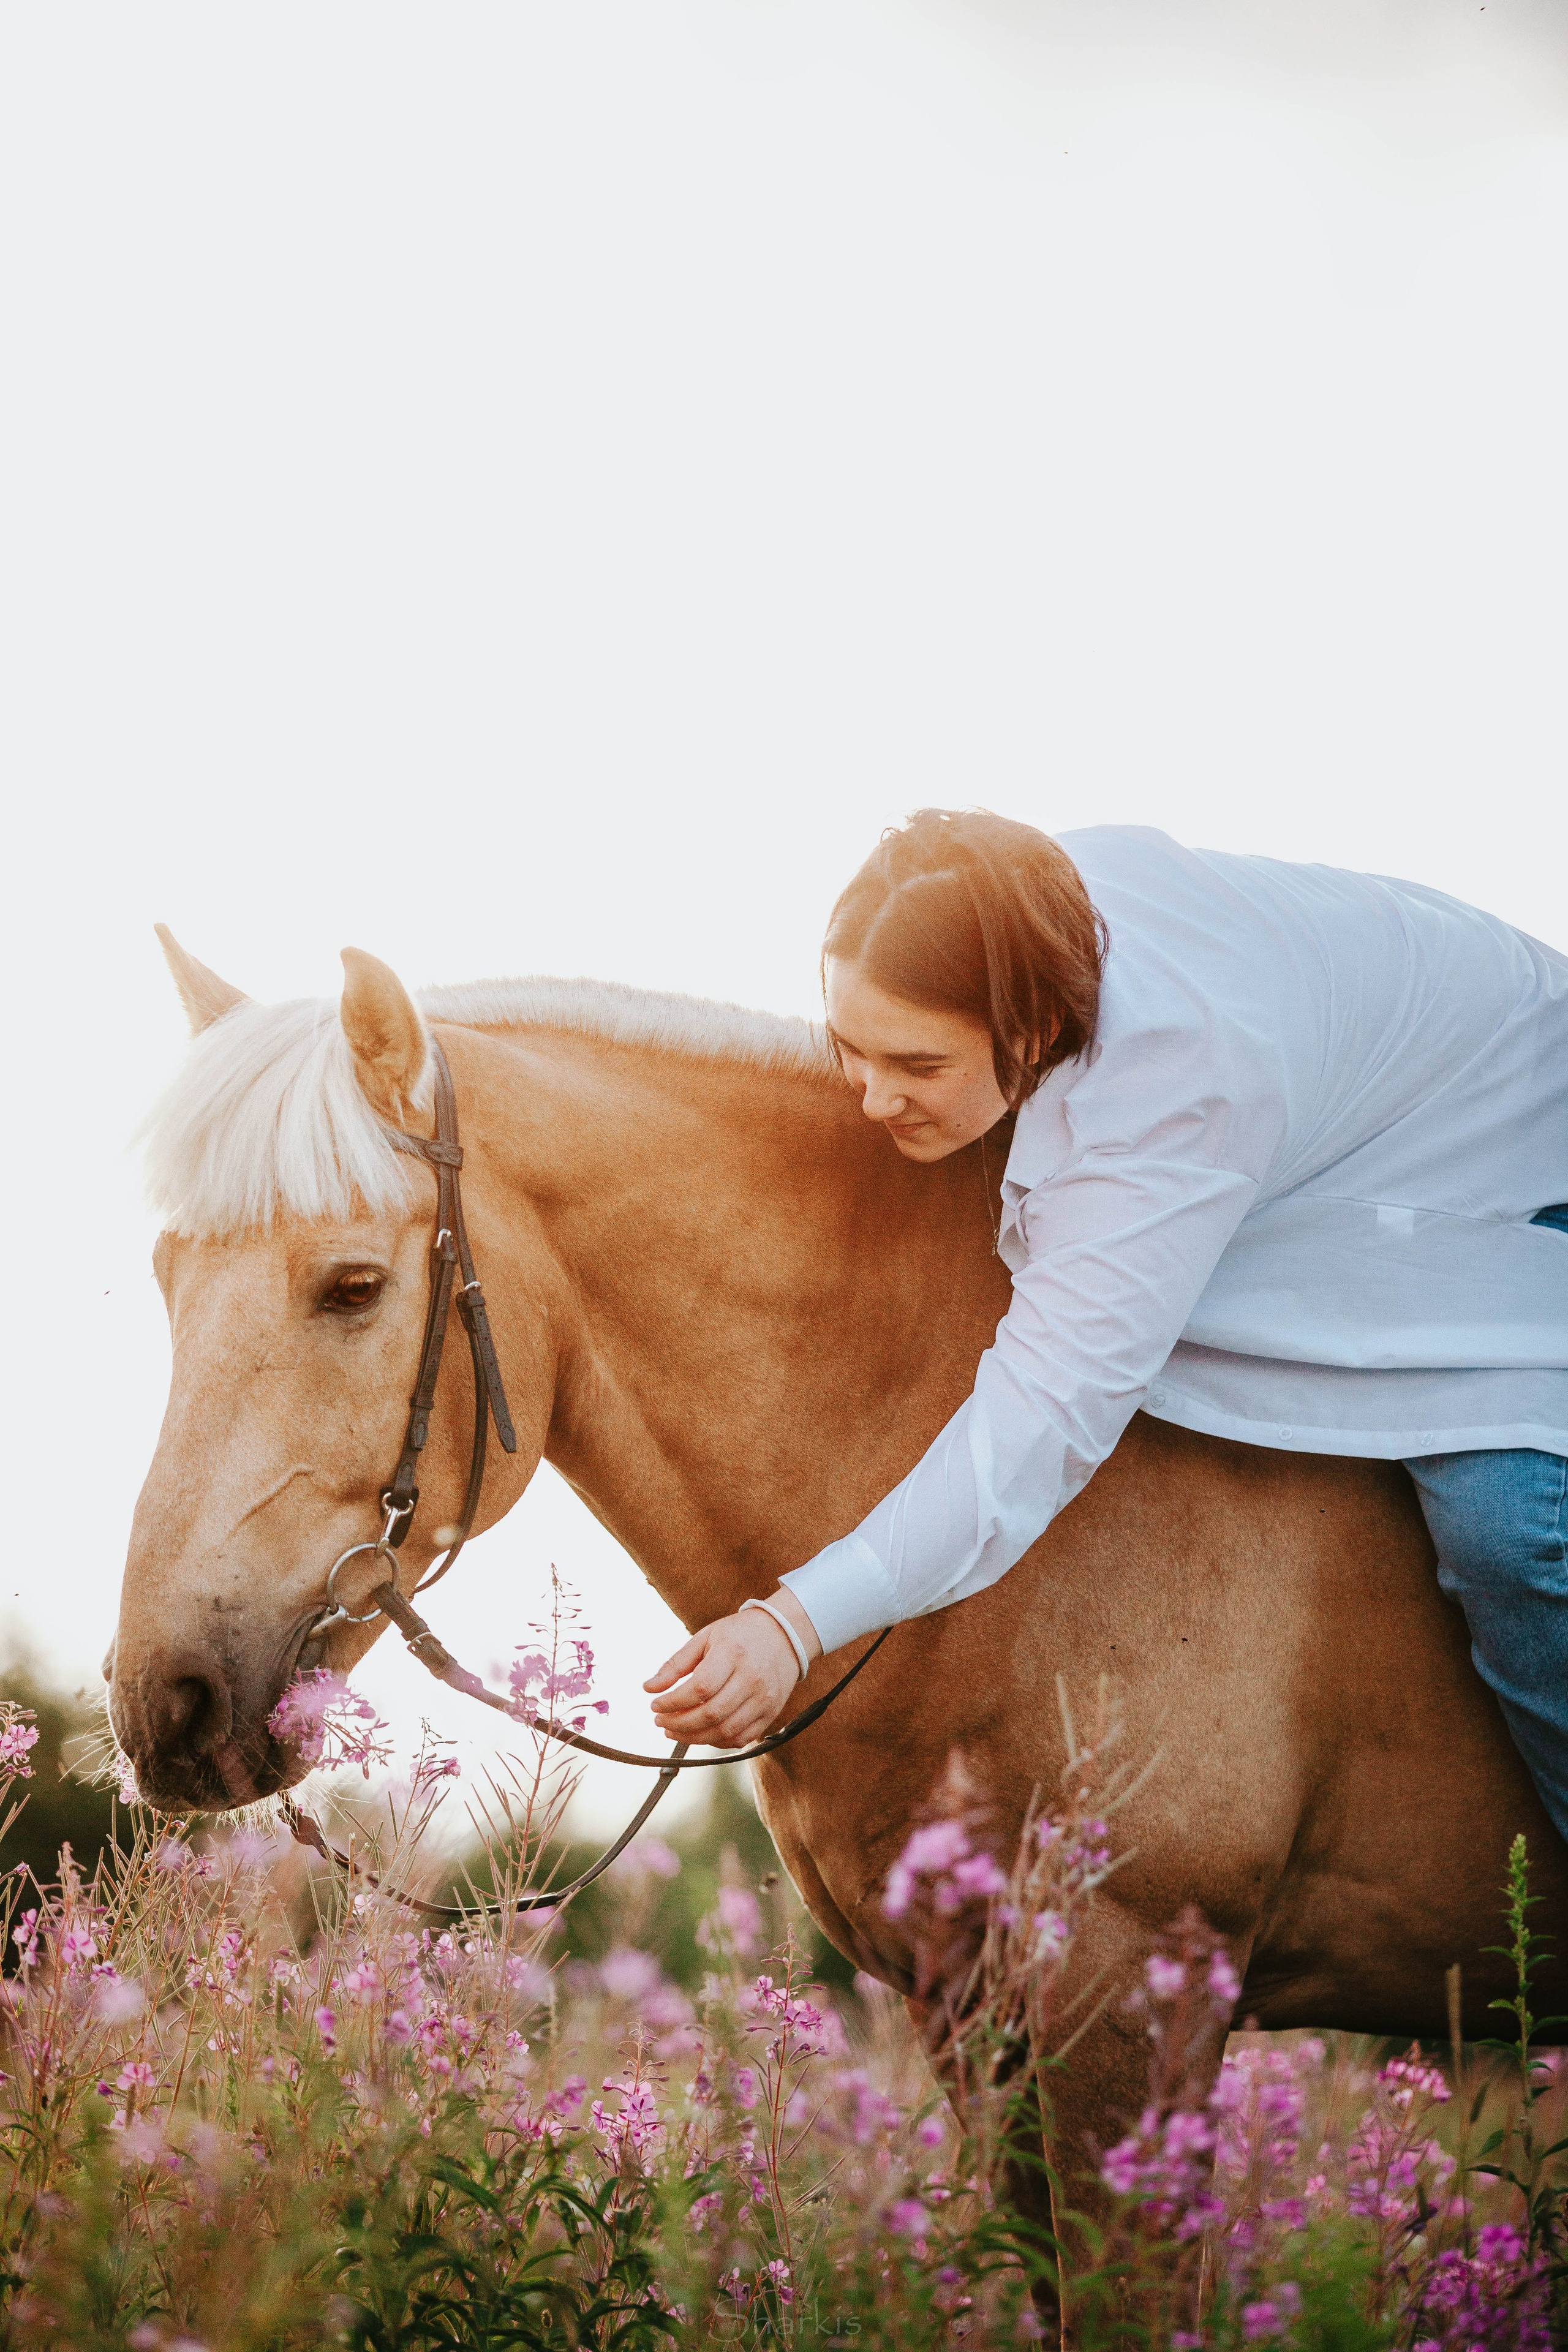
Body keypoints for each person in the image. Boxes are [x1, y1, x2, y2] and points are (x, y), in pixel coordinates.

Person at [644, 810, 1568, 1838]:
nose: (870, 1097)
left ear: (1033, 1035)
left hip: (1518, 1142)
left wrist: (790, 1624)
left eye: (916, 1067)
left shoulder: (1172, 1102)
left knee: (1515, 1530)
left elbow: (1037, 1431)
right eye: (850, 1048)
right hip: (1369, 1086)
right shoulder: (1009, 905)